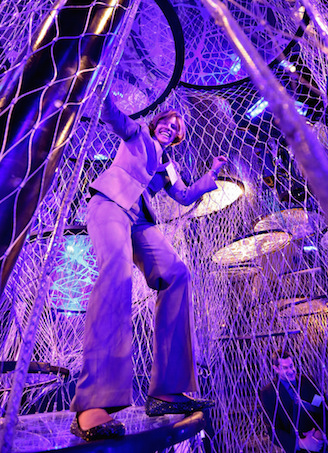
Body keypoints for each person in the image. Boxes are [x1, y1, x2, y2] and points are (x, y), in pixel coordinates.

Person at [69, 91, 227, 441]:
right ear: (155, 124)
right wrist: (103, 80)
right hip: (110, 204)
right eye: (168, 122)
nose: (171, 127)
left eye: (177, 127)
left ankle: (166, 391)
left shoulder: (169, 165)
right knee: (118, 272)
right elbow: (111, 114)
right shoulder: (137, 134)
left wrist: (212, 173)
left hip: (141, 220)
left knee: (177, 274)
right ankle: (95, 401)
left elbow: (184, 196)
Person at [260, 349, 328, 452]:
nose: (291, 371)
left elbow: (324, 406)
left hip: (322, 439)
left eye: (291, 366)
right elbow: (273, 430)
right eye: (285, 368)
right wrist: (301, 443)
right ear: (276, 369)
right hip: (299, 447)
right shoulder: (268, 393)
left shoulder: (308, 381)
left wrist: (320, 432)